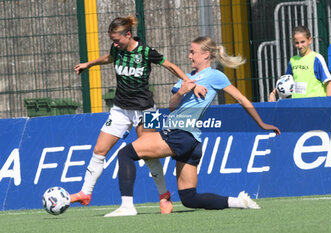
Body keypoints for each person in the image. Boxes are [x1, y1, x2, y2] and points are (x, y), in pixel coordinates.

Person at [104, 36, 280, 217]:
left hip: (180, 133)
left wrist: (261, 123)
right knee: (189, 198)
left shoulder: (215, 76)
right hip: (191, 140)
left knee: (125, 154)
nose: (189, 56)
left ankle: (127, 206)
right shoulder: (186, 78)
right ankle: (239, 201)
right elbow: (172, 105)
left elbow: (241, 99)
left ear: (206, 55)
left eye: (192, 52)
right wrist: (181, 91)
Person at [71, 15, 205, 216]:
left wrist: (189, 82)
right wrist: (88, 64)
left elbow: (170, 66)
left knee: (147, 154)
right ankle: (85, 193)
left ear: (128, 34)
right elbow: (109, 58)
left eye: (117, 40)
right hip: (120, 109)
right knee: (99, 150)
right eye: (112, 41)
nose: (115, 44)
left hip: (146, 110)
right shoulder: (117, 50)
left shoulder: (146, 52)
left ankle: (164, 196)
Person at [269, 25, 331, 101]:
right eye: (297, 43)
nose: (300, 46)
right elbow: (285, 82)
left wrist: (329, 104)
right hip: (297, 105)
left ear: (309, 40)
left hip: (316, 105)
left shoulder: (317, 58)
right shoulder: (293, 61)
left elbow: (329, 83)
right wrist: (273, 93)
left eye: (302, 42)